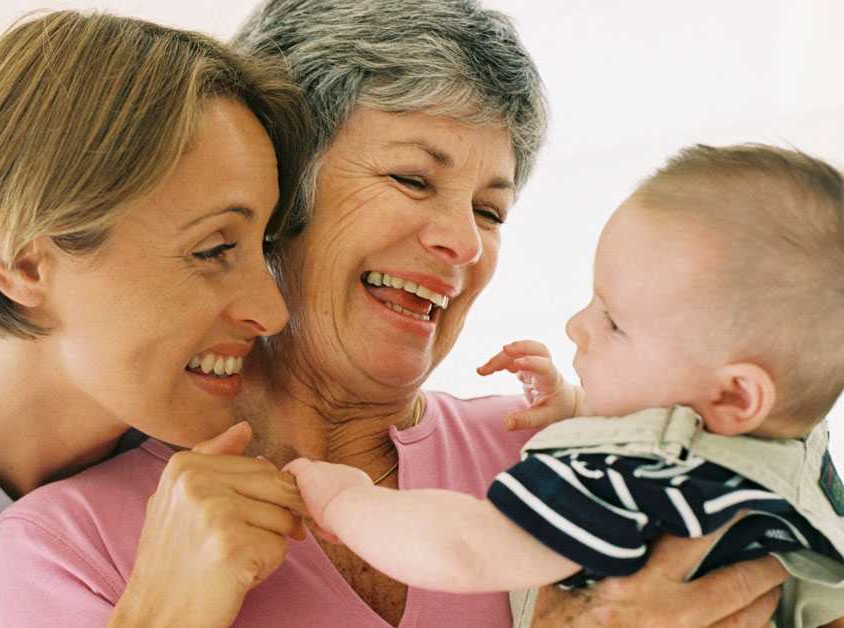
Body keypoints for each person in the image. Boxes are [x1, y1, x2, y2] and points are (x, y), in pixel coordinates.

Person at [0, 2, 789, 627]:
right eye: (412, 179)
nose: (462, 242)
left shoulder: (574, 450)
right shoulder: (70, 543)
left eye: (491, 210)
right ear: (275, 194)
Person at [285, 144, 844, 627]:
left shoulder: (633, 479)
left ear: (735, 397)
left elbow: (465, 547)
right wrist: (574, 409)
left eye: (615, 322)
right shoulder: (790, 482)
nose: (578, 326)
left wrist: (348, 501)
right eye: (411, 180)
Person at [0, 10, 311, 626]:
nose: (272, 312)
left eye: (263, 247)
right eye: (213, 250)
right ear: (23, 262)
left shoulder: (233, 449)